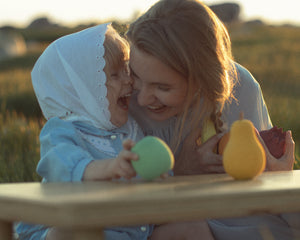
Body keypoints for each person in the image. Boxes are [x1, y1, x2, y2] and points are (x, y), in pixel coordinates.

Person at [125, 0, 296, 239]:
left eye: (162, 87)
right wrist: (179, 171)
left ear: (203, 80)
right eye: (135, 76)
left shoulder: (241, 86)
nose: (142, 98)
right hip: (164, 223)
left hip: (237, 218)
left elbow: (257, 180)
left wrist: (277, 175)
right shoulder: (121, 96)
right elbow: (115, 201)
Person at [15, 23, 154, 240]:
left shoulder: (132, 129)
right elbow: (64, 165)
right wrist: (111, 167)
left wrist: (157, 172)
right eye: (115, 75)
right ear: (81, 90)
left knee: (190, 228)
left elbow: (147, 171)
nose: (129, 80)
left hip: (128, 229)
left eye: (127, 70)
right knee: (69, 234)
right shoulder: (62, 131)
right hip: (68, 223)